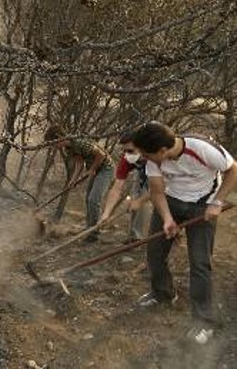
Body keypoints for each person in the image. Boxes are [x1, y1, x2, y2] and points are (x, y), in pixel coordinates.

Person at [132, 121, 237, 344]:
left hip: (202, 205)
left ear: (162, 151)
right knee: (155, 252)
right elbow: (157, 191)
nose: (145, 159)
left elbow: (233, 169)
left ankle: (204, 322)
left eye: (148, 155)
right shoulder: (153, 159)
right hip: (171, 202)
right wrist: (168, 219)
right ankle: (163, 294)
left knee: (200, 263)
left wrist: (217, 202)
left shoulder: (202, 149)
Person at [45, 125, 114, 243]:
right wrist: (74, 180)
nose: (54, 147)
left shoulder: (79, 142)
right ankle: (90, 229)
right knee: (88, 199)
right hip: (96, 169)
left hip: (105, 169)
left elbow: (101, 155)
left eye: (54, 144)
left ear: (59, 138)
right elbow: (79, 163)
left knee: (93, 200)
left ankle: (94, 233)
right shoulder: (69, 148)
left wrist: (92, 169)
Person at [101, 130, 150, 242]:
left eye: (130, 150)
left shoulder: (156, 157)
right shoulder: (126, 159)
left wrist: (140, 201)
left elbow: (159, 189)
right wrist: (106, 213)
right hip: (142, 172)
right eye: (124, 150)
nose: (127, 154)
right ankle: (135, 237)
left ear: (142, 147)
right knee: (136, 196)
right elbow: (117, 187)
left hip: (162, 176)